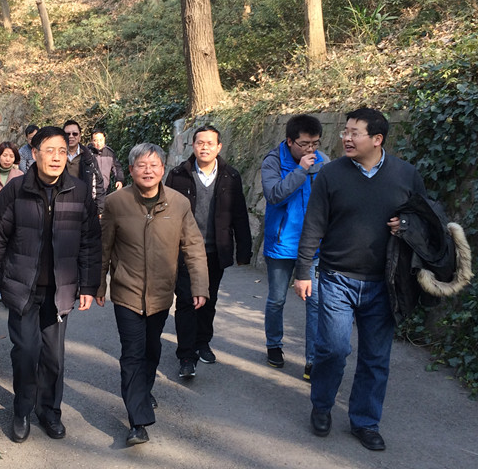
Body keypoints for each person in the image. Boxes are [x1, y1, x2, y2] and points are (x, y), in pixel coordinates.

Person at [293, 108, 427, 451]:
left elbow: (425, 219)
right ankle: (322, 406)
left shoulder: (406, 175)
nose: (346, 138)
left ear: (377, 139)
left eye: (355, 133)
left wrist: (407, 226)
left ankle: (365, 422)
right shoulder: (330, 174)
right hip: (337, 278)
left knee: (376, 356)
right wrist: (303, 271)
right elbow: (313, 224)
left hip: (385, 281)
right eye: (345, 131)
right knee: (333, 349)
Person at [0, 126, 101, 444]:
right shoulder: (16, 191)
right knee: (26, 352)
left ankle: (49, 411)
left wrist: (88, 287)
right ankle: (22, 410)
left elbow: (90, 243)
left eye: (62, 151)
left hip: (59, 290)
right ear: (34, 153)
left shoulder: (78, 191)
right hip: (22, 288)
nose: (57, 157)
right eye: (50, 150)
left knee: (53, 357)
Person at [97, 143, 209, 446]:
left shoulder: (178, 203)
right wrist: (99, 285)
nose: (148, 171)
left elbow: (194, 247)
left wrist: (199, 286)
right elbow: (104, 247)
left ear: (163, 169)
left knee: (151, 349)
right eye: (141, 165)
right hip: (127, 292)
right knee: (132, 353)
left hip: (161, 294)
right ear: (131, 170)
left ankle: (143, 391)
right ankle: (138, 421)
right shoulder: (116, 202)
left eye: (154, 165)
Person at [165, 125, 252, 378]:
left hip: (216, 250)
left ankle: (202, 342)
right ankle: (186, 355)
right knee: (186, 301)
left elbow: (239, 214)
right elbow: (166, 214)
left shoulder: (230, 176)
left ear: (219, 147)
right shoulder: (178, 175)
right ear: (193, 146)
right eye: (200, 143)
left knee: (208, 300)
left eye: (210, 143)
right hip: (184, 251)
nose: (204, 147)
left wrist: (243, 251)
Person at [261, 114, 329, 378]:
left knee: (315, 303)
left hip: (313, 246)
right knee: (277, 299)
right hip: (282, 244)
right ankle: (274, 345)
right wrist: (300, 170)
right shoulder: (273, 161)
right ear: (290, 141)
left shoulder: (323, 162)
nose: (311, 149)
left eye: (315, 143)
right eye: (304, 144)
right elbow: (274, 195)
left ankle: (312, 360)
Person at [62, 120, 105, 215]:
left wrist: (100, 209)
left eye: (75, 134)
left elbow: (98, 183)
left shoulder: (89, 157)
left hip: (85, 206)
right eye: (67, 134)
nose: (71, 136)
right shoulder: (57, 157)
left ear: (80, 136)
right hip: (62, 206)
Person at [89, 129, 124, 193]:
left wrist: (119, 180)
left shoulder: (110, 153)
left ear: (104, 139)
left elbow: (117, 168)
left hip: (105, 191)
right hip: (90, 191)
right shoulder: (87, 154)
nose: (98, 143)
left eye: (101, 140)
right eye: (95, 140)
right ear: (91, 141)